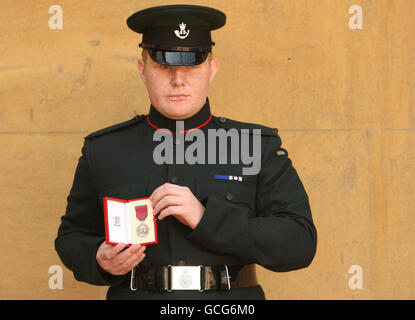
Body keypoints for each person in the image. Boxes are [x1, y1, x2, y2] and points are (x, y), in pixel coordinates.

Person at [55, 4, 317, 300]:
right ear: (143, 71)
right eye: (164, 66)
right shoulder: (104, 149)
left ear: (211, 70)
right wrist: (98, 258)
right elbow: (71, 237)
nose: (178, 79)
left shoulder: (255, 146)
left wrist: (206, 218)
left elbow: (299, 242)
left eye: (192, 65)